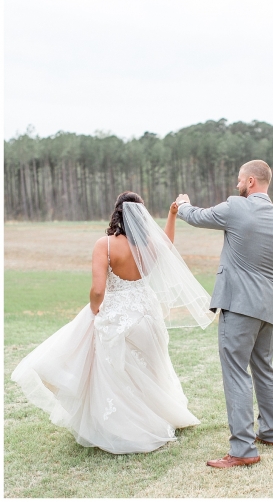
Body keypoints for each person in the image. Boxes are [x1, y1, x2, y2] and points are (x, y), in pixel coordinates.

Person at [11, 192, 215, 454]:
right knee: (150, 371)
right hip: (147, 314)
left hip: (117, 314)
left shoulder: (104, 245)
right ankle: (156, 418)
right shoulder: (151, 245)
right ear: (142, 216)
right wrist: (172, 215)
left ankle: (120, 429)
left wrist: (96, 310)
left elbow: (98, 290)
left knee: (116, 375)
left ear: (116, 213)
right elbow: (168, 244)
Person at [175, 159, 273, 469]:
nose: (237, 184)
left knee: (236, 373)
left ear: (252, 182)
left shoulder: (235, 207)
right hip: (269, 306)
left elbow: (198, 217)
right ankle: (270, 432)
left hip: (239, 306)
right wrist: (267, 298)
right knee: (265, 370)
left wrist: (184, 204)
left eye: (240, 180)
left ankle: (242, 449)